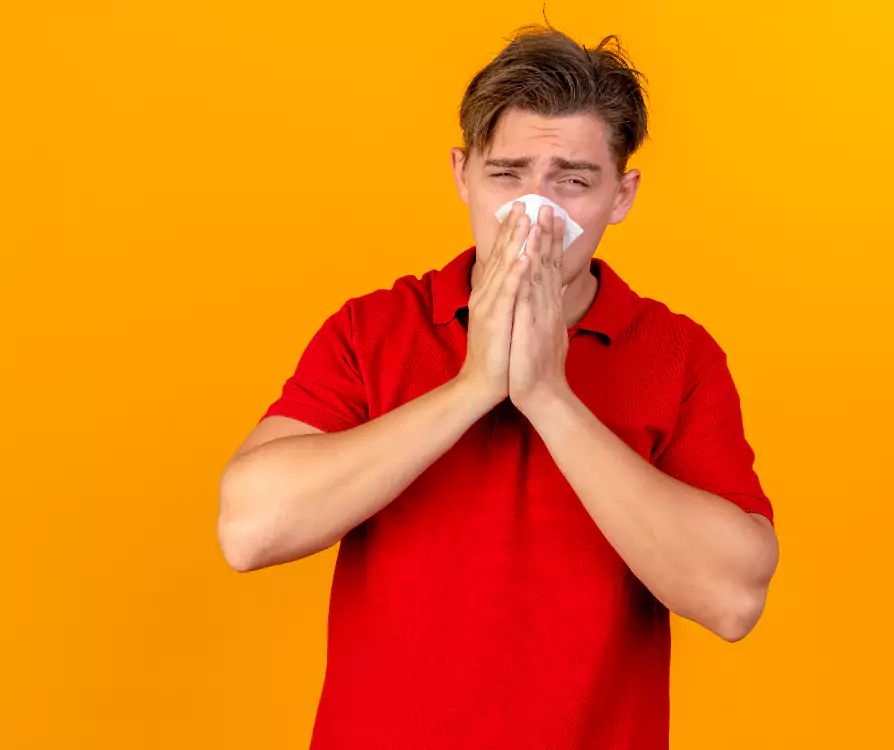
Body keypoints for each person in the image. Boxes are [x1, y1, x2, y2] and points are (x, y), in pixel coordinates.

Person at [218, 22, 779, 749]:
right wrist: (475, 384)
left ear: (621, 195)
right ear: (461, 174)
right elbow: (248, 530)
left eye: (572, 182)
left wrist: (549, 395)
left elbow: (733, 597)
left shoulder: (677, 356)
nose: (533, 213)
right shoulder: (375, 329)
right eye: (507, 175)